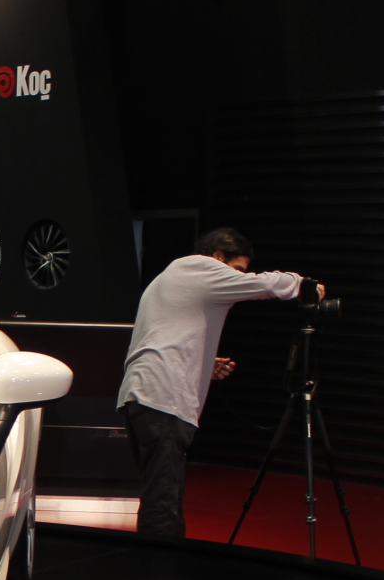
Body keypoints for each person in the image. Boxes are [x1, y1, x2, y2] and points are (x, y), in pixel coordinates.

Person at [116, 227, 318, 540]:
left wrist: (203, 365)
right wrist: (303, 285)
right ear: (218, 257)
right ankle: (157, 567)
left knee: (164, 494)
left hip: (144, 394)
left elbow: (164, 335)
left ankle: (163, 563)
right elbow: (264, 284)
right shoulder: (201, 268)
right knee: (163, 501)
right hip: (162, 397)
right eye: (237, 269)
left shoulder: (175, 276)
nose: (238, 277)